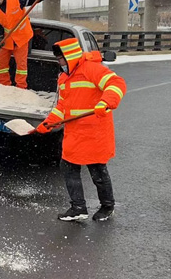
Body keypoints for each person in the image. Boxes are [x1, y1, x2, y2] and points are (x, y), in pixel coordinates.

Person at [35, 37, 126, 222]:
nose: (59, 63)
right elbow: (63, 106)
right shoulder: (64, 78)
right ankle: (78, 208)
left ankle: (107, 206)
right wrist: (49, 123)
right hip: (74, 133)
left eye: (61, 59)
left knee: (97, 171)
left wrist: (105, 102)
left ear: (70, 56)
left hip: (95, 132)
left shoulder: (92, 69)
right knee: (68, 167)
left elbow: (117, 84)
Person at [0, 0, 49, 89]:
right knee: (1, 66)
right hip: (6, 40)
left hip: (22, 37)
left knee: (21, 66)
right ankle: (5, 87)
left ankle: (21, 88)